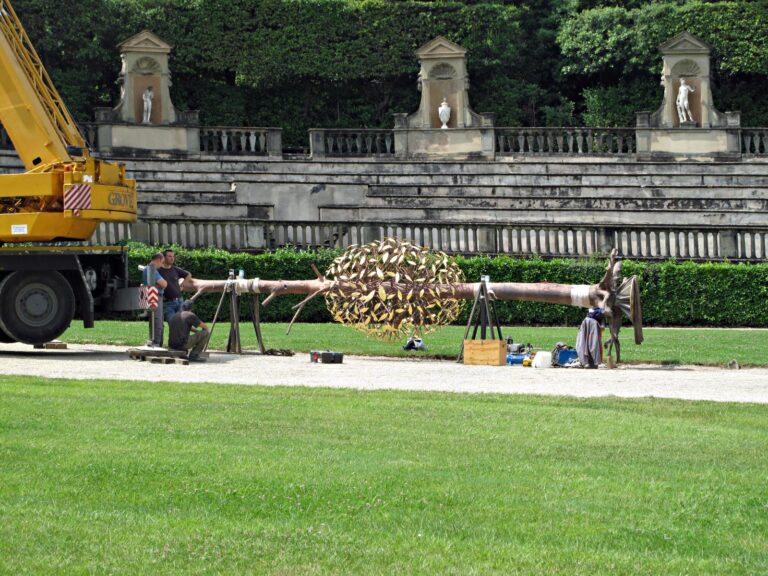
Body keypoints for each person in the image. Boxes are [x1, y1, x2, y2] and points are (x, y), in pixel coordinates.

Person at [158, 249, 191, 323]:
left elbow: (188, 274)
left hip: (180, 301)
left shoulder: (175, 269)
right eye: (169, 256)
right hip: (167, 304)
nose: (172, 258)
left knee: (182, 324)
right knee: (173, 324)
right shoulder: (158, 271)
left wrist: (182, 285)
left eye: (173, 256)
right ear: (164, 257)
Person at [143, 253, 167, 347]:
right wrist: (161, 284)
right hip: (156, 297)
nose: (162, 265)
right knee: (157, 320)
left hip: (151, 296)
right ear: (158, 259)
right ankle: (156, 343)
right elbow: (164, 284)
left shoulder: (147, 269)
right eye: (162, 262)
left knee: (155, 320)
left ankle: (155, 342)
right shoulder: (152, 270)